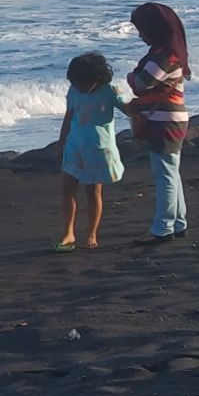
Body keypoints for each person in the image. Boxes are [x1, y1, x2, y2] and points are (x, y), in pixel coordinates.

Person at [127, 2, 191, 244]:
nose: (140, 35)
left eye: (141, 30)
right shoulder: (172, 51)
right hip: (172, 118)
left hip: (165, 120)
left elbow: (142, 83)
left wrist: (131, 76)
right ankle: (178, 222)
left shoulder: (164, 54)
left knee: (164, 174)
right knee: (171, 172)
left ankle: (163, 227)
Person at [54, 52, 131, 252]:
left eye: (82, 82)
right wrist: (61, 141)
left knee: (93, 190)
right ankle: (68, 232)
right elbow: (69, 116)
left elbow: (129, 109)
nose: (79, 86)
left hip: (99, 148)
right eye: (75, 82)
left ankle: (91, 233)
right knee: (67, 188)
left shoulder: (110, 91)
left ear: (97, 78)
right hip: (75, 146)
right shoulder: (73, 91)